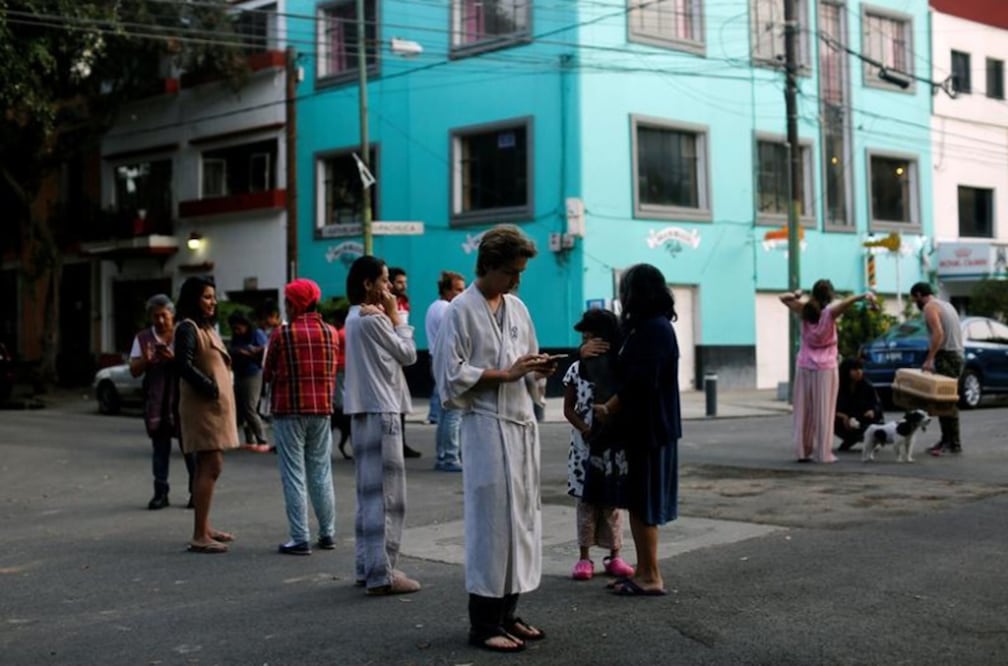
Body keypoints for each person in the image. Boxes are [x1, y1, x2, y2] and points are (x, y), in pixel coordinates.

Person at [434, 224, 556, 653]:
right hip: (487, 428)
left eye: (520, 273)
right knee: (491, 527)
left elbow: (528, 359)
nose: (516, 280)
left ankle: (509, 612)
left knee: (522, 523)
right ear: (487, 265)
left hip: (521, 426)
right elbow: (450, 376)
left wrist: (537, 370)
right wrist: (507, 374)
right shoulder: (460, 311)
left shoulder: (518, 308)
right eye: (510, 272)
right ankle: (482, 624)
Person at [592, 263, 680, 597]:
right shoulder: (646, 328)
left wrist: (609, 407)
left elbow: (641, 382)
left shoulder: (654, 329)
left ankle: (651, 575)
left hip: (651, 428)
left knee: (644, 503)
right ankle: (642, 570)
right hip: (644, 427)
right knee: (637, 501)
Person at [344, 256, 421, 595]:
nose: (389, 287)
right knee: (389, 497)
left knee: (368, 494)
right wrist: (395, 317)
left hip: (363, 410)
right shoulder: (372, 320)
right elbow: (408, 354)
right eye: (385, 280)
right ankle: (383, 572)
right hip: (382, 410)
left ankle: (368, 566)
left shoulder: (353, 317)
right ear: (368, 284)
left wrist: (390, 316)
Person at [263, 278, 339, 556]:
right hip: (322, 411)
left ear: (294, 304)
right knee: (321, 472)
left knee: (294, 473)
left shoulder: (282, 335)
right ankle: (327, 532)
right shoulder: (330, 332)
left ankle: (299, 537)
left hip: (289, 411)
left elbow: (268, 371)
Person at [562, 308, 634, 582]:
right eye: (584, 336)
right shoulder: (576, 368)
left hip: (612, 446)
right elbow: (569, 409)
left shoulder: (619, 366)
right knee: (587, 502)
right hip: (584, 447)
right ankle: (584, 558)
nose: (586, 339)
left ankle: (615, 555)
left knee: (613, 503)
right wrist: (585, 429)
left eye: (590, 334)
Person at [174, 276, 240, 553]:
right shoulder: (188, 328)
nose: (212, 302)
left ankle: (205, 526)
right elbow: (183, 365)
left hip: (213, 408)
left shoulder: (207, 327)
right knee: (211, 465)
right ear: (193, 299)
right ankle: (199, 534)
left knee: (208, 466)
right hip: (203, 408)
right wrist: (210, 387)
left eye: (213, 297)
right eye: (206, 297)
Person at [780, 280, 874, 463]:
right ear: (830, 295)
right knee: (824, 411)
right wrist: (864, 295)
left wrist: (796, 294)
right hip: (825, 367)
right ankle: (823, 453)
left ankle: (802, 451)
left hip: (804, 365)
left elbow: (782, 298)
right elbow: (848, 301)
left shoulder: (804, 309)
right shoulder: (829, 313)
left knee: (803, 410)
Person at [129, 294, 195, 510]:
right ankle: (160, 492)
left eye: (164, 316)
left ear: (172, 315)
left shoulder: (183, 334)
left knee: (189, 447)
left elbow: (194, 364)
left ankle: (196, 492)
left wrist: (173, 359)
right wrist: (147, 360)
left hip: (182, 397)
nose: (160, 321)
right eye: (155, 316)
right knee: (160, 447)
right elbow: (133, 371)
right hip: (156, 400)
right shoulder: (143, 338)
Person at [909, 282, 965, 455]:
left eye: (914, 299)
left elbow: (938, 333)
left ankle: (953, 443)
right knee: (945, 399)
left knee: (945, 400)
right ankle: (947, 440)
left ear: (919, 295)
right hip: (957, 355)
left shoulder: (929, 307)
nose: (915, 303)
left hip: (946, 356)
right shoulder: (946, 304)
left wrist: (930, 358)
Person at [424, 270, 466, 471]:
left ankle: (443, 455)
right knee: (454, 413)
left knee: (444, 413)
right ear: (447, 290)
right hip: (449, 363)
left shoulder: (434, 307)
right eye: (458, 289)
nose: (462, 293)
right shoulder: (447, 309)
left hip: (437, 361)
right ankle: (450, 456)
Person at [389, 266, 421, 459]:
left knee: (401, 403)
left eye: (405, 282)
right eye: (400, 282)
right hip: (392, 351)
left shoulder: (404, 302)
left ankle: (401, 442)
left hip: (404, 351)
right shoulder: (387, 304)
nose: (403, 286)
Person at [227, 311, 269, 453]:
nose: (237, 331)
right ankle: (249, 439)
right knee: (242, 407)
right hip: (239, 372)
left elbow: (265, 350)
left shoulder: (256, 333)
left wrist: (250, 352)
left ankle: (262, 439)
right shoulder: (237, 338)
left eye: (239, 328)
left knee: (250, 407)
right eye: (234, 329)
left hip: (253, 373)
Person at [834, 357, 883, 452]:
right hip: (844, 420)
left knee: (874, 422)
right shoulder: (837, 387)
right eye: (855, 369)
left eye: (860, 369)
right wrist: (843, 416)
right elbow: (831, 407)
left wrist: (872, 410)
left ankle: (870, 439)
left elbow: (877, 405)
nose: (859, 372)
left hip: (862, 418)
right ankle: (850, 439)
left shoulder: (868, 386)